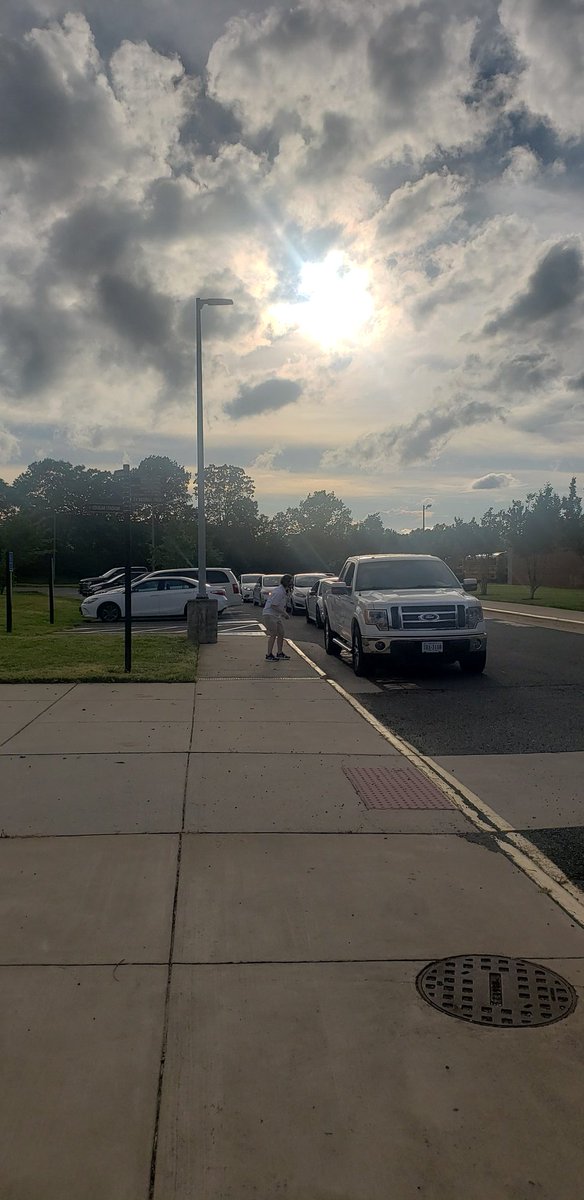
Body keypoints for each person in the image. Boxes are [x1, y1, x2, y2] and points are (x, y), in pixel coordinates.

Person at [263, 573, 293, 661]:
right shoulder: (279, 592)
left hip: (276, 615)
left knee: (281, 633)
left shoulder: (283, 591)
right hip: (269, 614)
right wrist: (284, 613)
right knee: (273, 634)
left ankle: (279, 653)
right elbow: (273, 605)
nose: (292, 584)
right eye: (290, 582)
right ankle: (269, 654)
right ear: (286, 582)